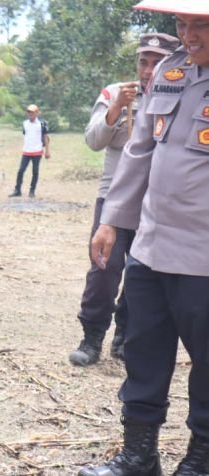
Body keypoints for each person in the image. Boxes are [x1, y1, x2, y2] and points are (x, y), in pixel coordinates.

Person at [80, 2, 209, 474]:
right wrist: (112, 219)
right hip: (151, 248)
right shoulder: (172, 72)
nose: (188, 35)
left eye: (201, 25)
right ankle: (138, 456)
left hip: (203, 257)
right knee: (143, 352)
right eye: (183, 24)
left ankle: (200, 461)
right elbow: (139, 150)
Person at [69, 33, 179, 367]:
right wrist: (117, 107)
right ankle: (92, 337)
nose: (148, 70)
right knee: (104, 271)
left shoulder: (181, 95)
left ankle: (124, 335)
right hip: (113, 201)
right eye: (143, 62)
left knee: (141, 274)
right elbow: (93, 140)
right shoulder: (115, 93)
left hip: (156, 204)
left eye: (157, 62)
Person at [9, 105, 50, 198]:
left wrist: (47, 151)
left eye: (32, 112)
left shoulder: (41, 124)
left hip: (37, 151)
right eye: (29, 112)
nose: (30, 114)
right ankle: (17, 190)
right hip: (26, 151)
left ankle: (32, 191)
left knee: (35, 172)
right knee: (21, 170)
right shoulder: (25, 123)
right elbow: (25, 135)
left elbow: (45, 138)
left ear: (37, 113)